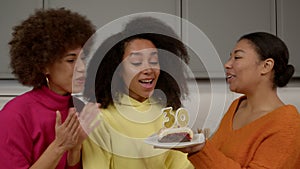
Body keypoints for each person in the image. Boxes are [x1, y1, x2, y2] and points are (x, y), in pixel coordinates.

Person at [81, 16, 194, 169]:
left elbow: (181, 166)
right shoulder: (100, 118)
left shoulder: (167, 114)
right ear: (118, 70)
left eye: (154, 61)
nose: (148, 69)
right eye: (136, 62)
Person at [177, 32, 300, 168]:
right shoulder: (237, 106)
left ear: (266, 66)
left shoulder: (287, 123)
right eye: (230, 57)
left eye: (237, 57)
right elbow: (217, 157)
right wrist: (196, 145)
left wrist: (201, 149)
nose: (227, 64)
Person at [0, 8, 98, 169]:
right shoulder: (14, 115)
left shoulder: (78, 108)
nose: (82, 67)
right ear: (44, 65)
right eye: (71, 60)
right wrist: (59, 146)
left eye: (84, 58)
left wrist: (75, 150)